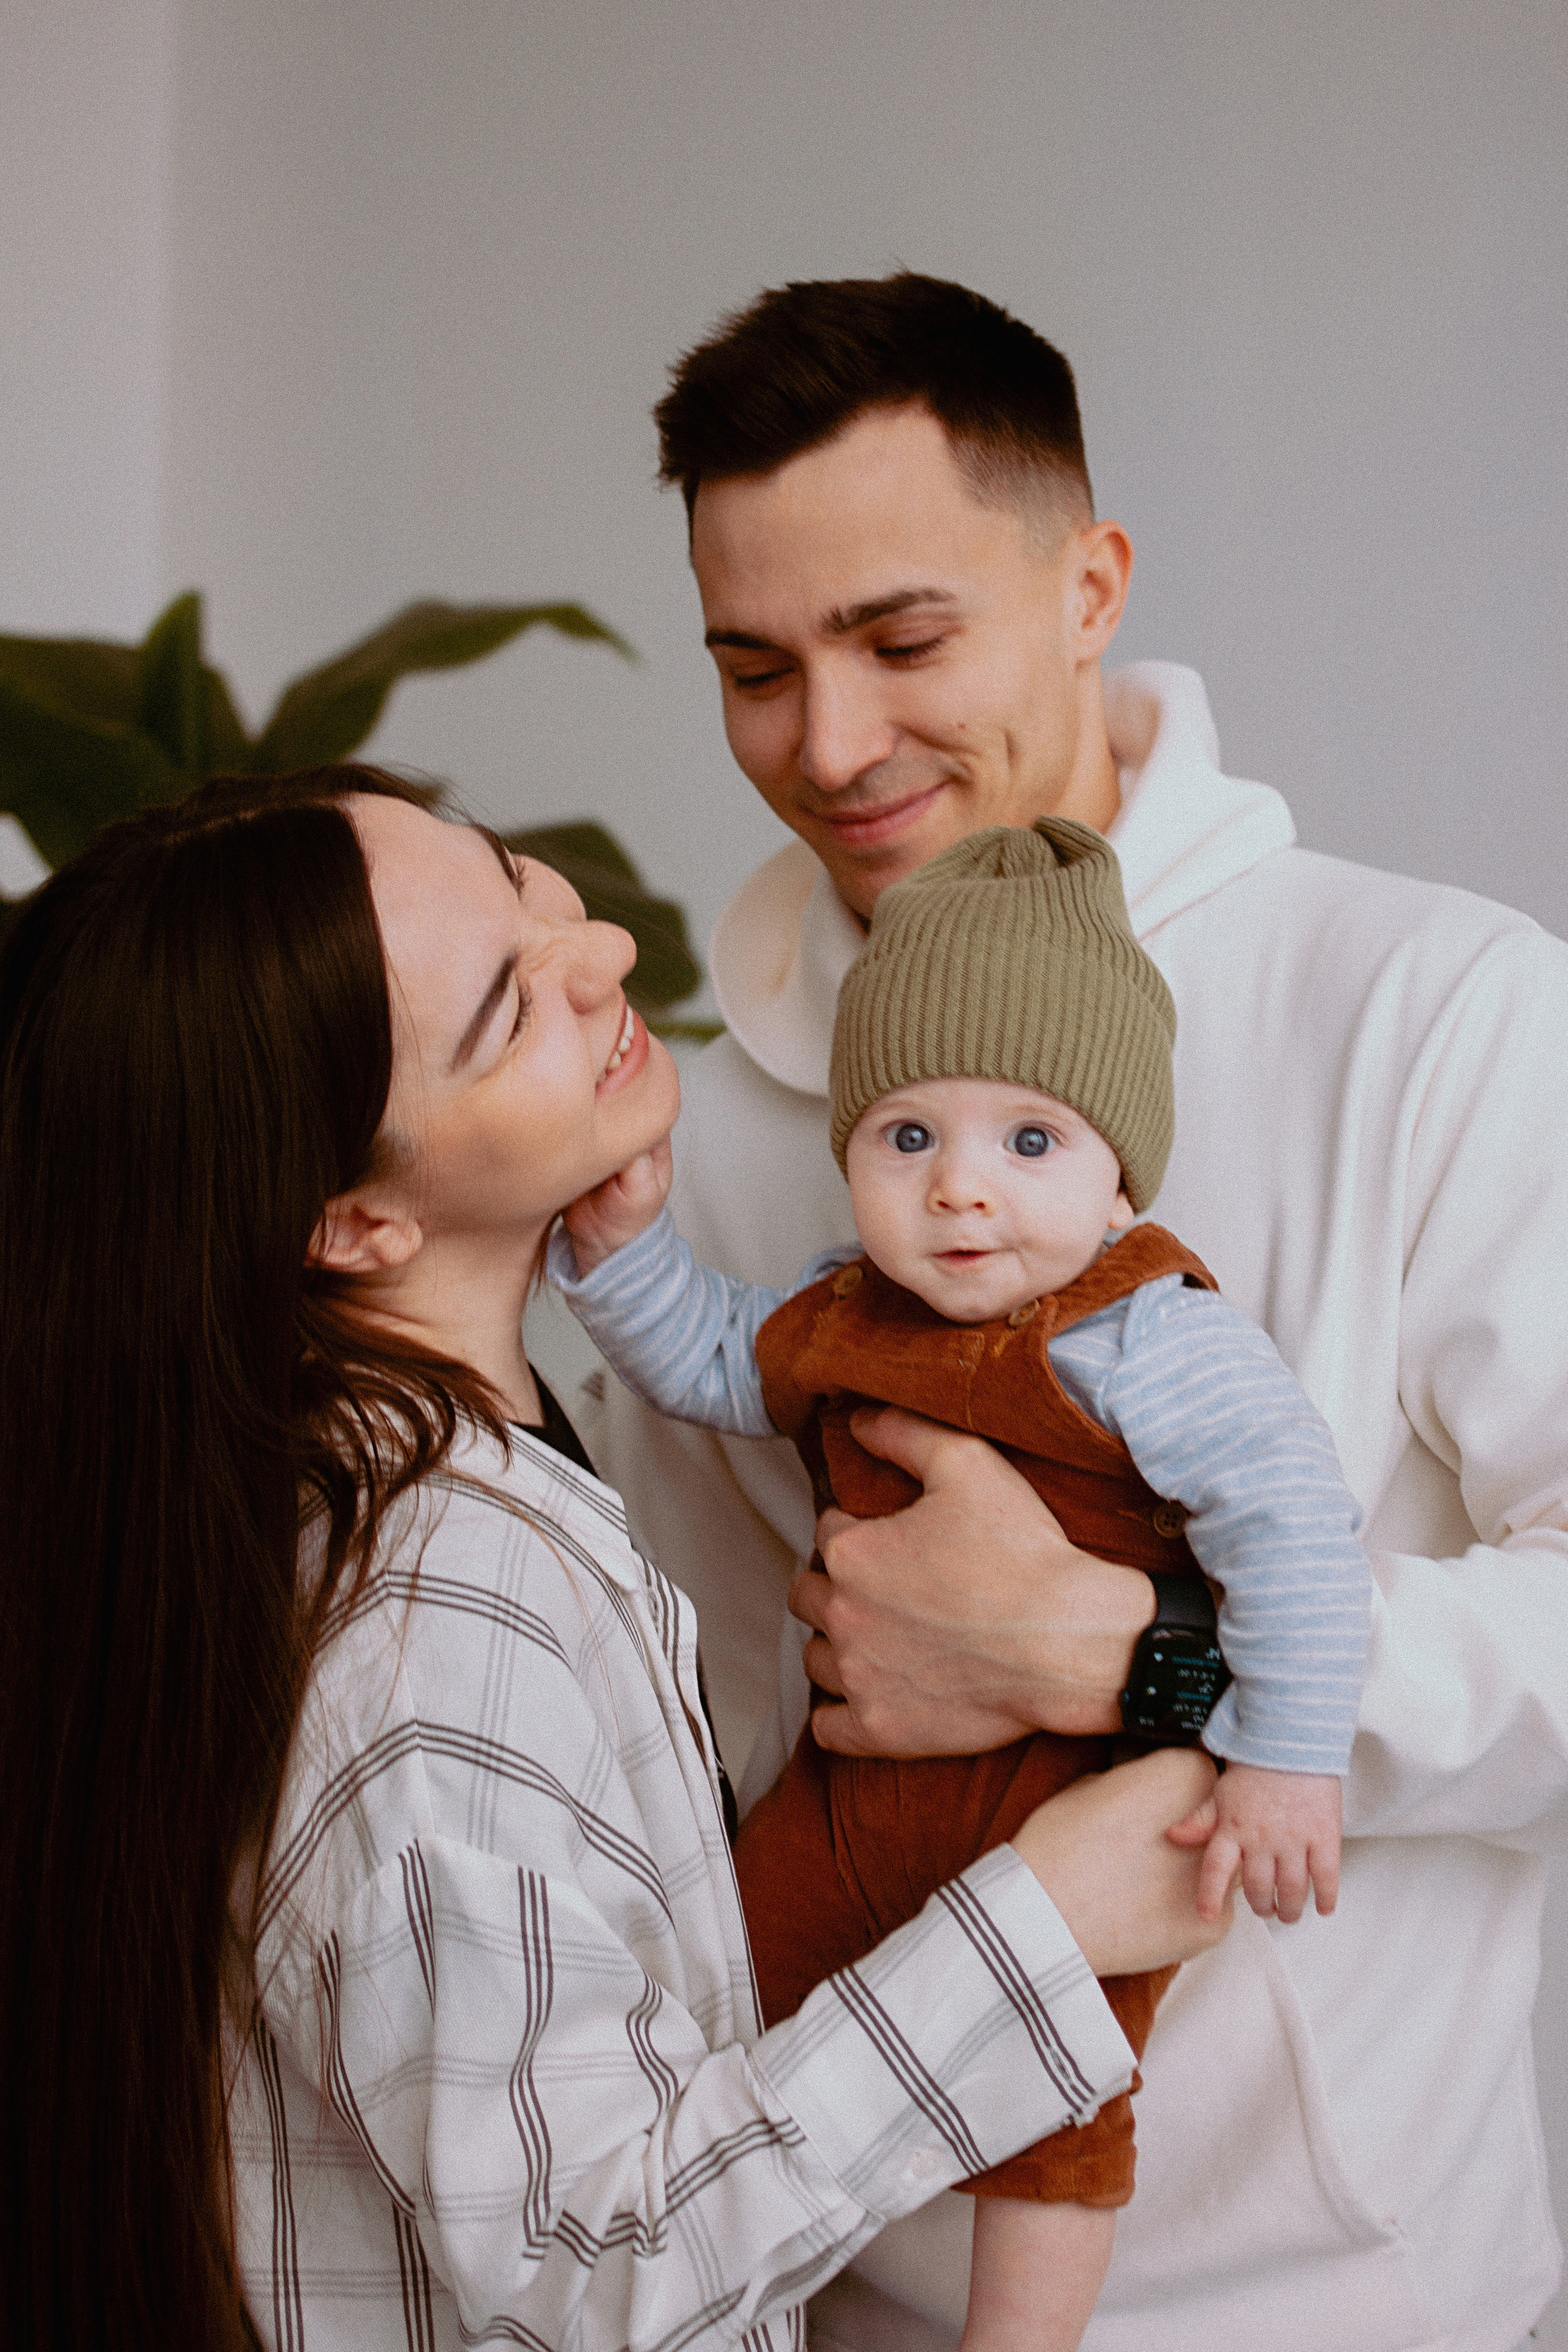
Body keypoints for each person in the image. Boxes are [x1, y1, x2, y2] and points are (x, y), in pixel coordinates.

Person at [589, 273, 1568, 2350]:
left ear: (1090, 582)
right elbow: (707, 1744)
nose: (830, 744)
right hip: (829, 2274)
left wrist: (1142, 1656)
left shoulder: (1448, 1007)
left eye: (903, 638)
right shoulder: (684, 1131)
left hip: (1340, 2304)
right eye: (756, 667)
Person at [0, 765, 1224, 2352]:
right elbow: (601, 2255)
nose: (600, 957)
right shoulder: (429, 1634)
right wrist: (1043, 1923)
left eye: (521, 880)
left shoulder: (441, 1476)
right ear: (354, 1221)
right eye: (510, 1007)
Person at [554, 814, 1371, 2352]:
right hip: (844, 1804)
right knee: (714, 2010)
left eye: (1029, 1142)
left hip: (1069, 1814)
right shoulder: (836, 1305)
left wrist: (1283, 1755)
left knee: (1056, 2125)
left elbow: (1293, 1534)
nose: (960, 1194)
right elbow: (705, 1358)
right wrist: (620, 1247)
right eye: (906, 1138)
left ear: (1118, 1171)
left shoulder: (1151, 1335)